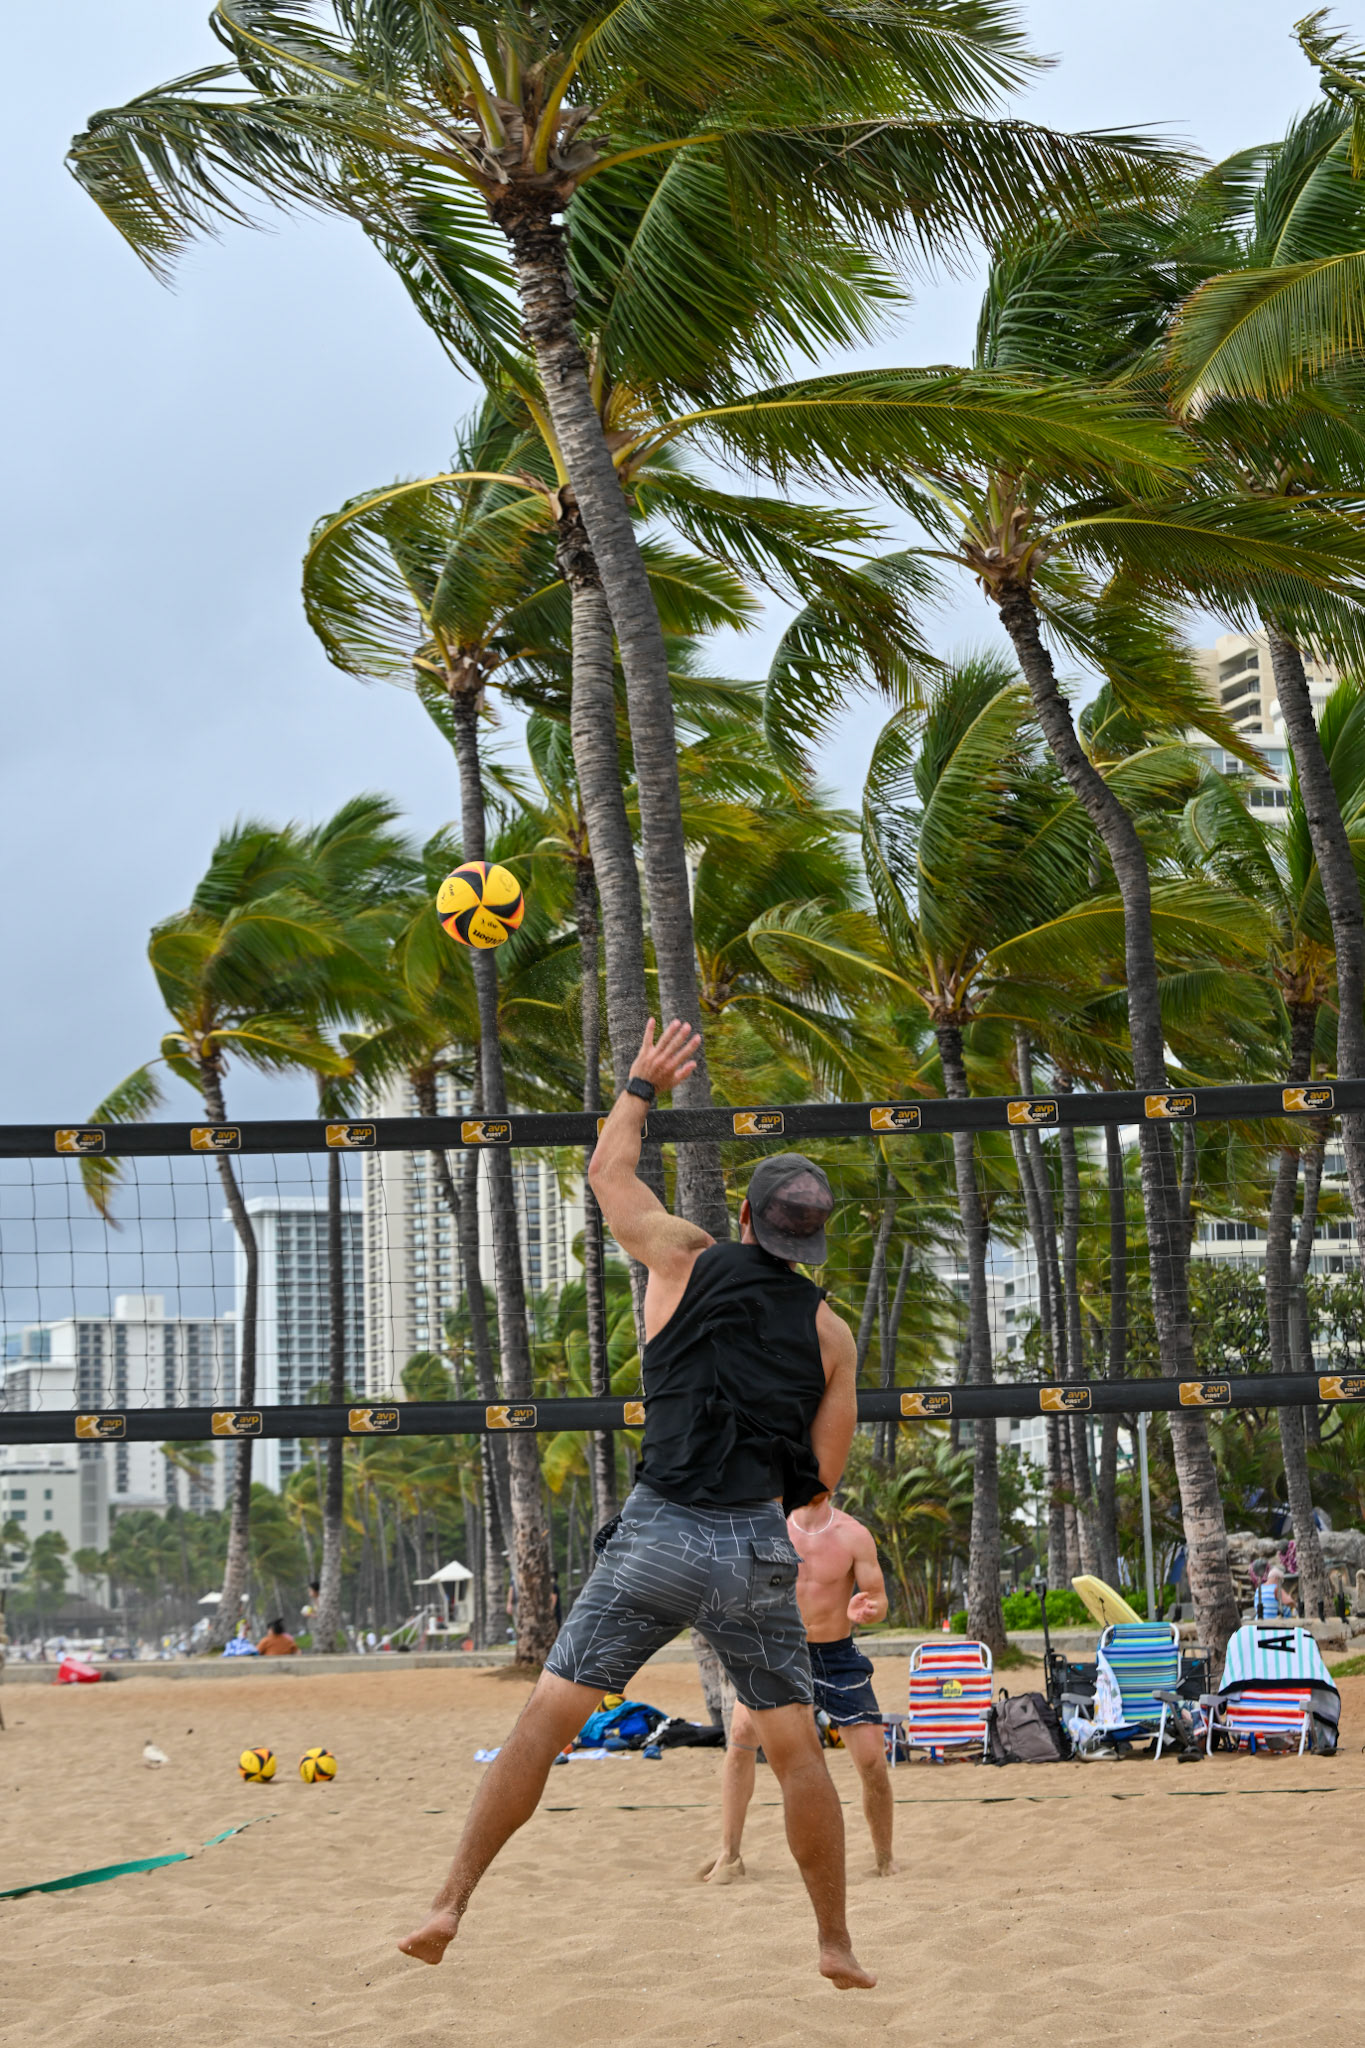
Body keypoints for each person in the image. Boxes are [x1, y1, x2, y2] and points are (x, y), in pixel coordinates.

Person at [399, 1018, 873, 1991]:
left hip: (658, 1529)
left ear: (743, 1215)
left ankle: (448, 1902)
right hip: (751, 1544)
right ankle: (834, 1941)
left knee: (543, 1722)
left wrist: (644, 1083)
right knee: (796, 1752)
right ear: (812, 1237)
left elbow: (607, 1170)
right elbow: (820, 1482)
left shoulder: (683, 1255)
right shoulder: (832, 1334)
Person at [699, 1498, 894, 1884]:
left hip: (836, 1656)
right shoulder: (765, 1530)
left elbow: (879, 1598)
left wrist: (871, 1610)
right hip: (779, 1651)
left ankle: (885, 1859)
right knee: (740, 1737)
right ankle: (730, 1854)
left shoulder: (853, 1535)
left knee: (873, 1759)